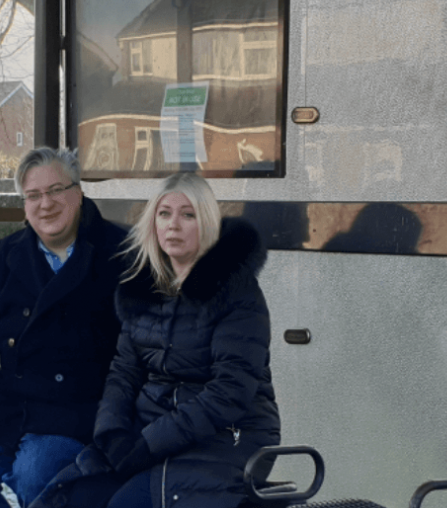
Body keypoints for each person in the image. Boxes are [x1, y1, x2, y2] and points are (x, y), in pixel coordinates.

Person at [31, 172, 280, 508]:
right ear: (153, 222)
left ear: (205, 222)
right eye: (164, 214)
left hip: (226, 438)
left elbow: (230, 392)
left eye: (187, 215)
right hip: (151, 431)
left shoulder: (236, 291)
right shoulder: (142, 288)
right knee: (73, 498)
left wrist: (150, 443)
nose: (173, 225)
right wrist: (114, 433)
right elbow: (124, 372)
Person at [0, 147, 128, 508]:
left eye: (56, 190)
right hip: (13, 406)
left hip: (80, 409)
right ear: (24, 204)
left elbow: (137, 347)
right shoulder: (8, 254)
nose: (46, 204)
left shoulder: (118, 252)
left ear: (78, 193)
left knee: (34, 471)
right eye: (34, 195)